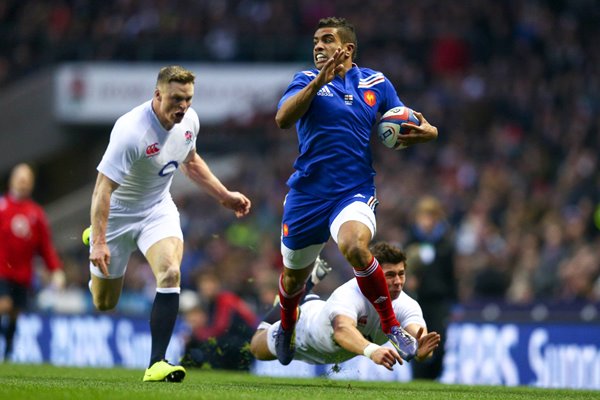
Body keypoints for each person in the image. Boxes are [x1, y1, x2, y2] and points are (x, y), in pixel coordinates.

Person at [273, 16, 439, 365]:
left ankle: (392, 326)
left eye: (327, 40)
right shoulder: (305, 79)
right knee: (292, 278)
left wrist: (430, 133)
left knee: (354, 245)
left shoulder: (377, 82)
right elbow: (283, 119)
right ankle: (287, 324)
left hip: (354, 189)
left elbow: (407, 120)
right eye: (315, 41)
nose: (318, 46)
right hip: (307, 194)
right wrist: (320, 81)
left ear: (346, 49)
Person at [87, 65, 251, 382]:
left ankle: (157, 363)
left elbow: (190, 161)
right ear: (158, 94)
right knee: (104, 303)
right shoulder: (131, 130)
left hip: (157, 210)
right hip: (119, 215)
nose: (183, 106)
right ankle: (90, 235)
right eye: (176, 99)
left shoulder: (190, 121)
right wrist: (99, 240)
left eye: (188, 99)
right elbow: (102, 189)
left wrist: (224, 195)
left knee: (171, 272)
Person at [250, 242, 441, 370]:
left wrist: (421, 351)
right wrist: (371, 350)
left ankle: (302, 294)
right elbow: (342, 331)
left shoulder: (407, 304)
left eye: (401, 273)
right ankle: (294, 304)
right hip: (305, 332)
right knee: (257, 347)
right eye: (390, 275)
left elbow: (418, 336)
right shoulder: (349, 294)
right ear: (373, 276)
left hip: (331, 351)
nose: (398, 281)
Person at [0, 163, 65, 361]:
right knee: (4, 305)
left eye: (27, 180)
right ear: (12, 180)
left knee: (14, 313)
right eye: (20, 179)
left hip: (22, 274)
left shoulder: (36, 214)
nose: (23, 183)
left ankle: (9, 350)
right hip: (2, 271)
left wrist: (56, 270)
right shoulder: (2, 207)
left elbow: (45, 247)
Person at [404, 196, 457, 380]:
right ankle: (418, 380)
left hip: (438, 302)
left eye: (431, 216)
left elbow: (451, 276)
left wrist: (454, 302)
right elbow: (401, 270)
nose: (427, 221)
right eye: (424, 216)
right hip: (416, 301)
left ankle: (433, 377)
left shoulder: (445, 245)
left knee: (439, 345)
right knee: (417, 341)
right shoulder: (409, 241)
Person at [180, 270, 259, 370]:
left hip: (245, 342)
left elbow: (220, 328)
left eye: (210, 283)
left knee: (211, 345)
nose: (206, 288)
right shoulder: (210, 303)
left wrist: (197, 334)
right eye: (203, 284)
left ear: (217, 284)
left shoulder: (225, 300)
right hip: (233, 340)